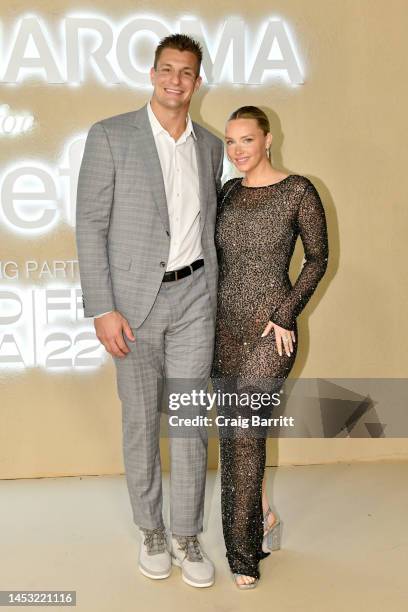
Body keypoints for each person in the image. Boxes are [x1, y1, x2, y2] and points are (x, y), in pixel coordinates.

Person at [75, 34, 224, 588]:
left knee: (189, 421)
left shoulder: (209, 147)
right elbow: (90, 224)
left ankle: (186, 533)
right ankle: (151, 530)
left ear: (197, 81)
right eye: (167, 69)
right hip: (133, 306)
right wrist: (102, 307)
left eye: (186, 72)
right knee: (141, 420)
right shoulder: (111, 136)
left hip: (194, 301)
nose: (175, 81)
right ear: (152, 73)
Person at [211, 106, 329, 588]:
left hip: (269, 332)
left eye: (246, 140)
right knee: (236, 438)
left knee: (244, 434)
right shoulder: (227, 192)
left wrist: (286, 312)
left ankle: (242, 555)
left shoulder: (298, 190)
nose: (238, 150)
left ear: (267, 140)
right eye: (230, 142)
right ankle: (262, 515)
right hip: (224, 330)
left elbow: (318, 258)